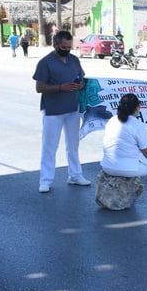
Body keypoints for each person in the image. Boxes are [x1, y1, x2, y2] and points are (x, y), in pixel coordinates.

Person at [33, 30, 90, 193]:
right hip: (53, 111)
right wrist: (60, 87)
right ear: (55, 44)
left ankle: (75, 175)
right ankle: (45, 180)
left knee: (73, 144)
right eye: (63, 47)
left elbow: (81, 78)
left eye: (69, 47)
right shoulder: (45, 62)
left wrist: (81, 85)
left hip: (73, 108)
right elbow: (39, 87)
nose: (67, 49)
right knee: (49, 146)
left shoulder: (74, 60)